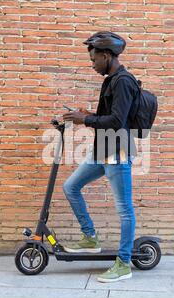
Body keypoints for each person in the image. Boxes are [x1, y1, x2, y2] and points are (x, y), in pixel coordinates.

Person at [62, 31, 139, 283]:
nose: (92, 64)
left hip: (117, 151)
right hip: (103, 148)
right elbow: (109, 115)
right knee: (71, 186)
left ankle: (124, 263)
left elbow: (117, 121)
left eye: (94, 59)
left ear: (106, 56)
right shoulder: (111, 80)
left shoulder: (124, 81)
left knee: (124, 210)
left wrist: (85, 119)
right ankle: (90, 238)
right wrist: (88, 114)